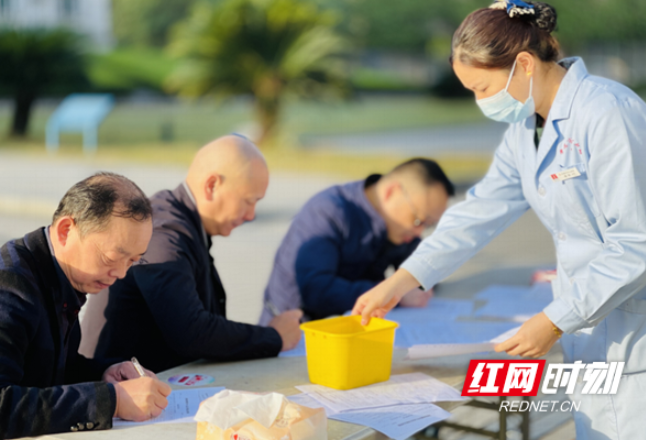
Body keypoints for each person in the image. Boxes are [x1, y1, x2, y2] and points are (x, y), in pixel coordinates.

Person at [352, 1, 646, 438]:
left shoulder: (607, 113)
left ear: (524, 64)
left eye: (483, 88)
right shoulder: (524, 130)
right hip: (590, 333)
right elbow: (478, 212)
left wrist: (554, 320)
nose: (479, 102)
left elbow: (636, 243)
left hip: (631, 332)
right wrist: (403, 280)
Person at [94, 135, 302, 373]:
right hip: (119, 393)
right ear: (212, 185)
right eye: (248, 201)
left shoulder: (183, 222)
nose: (251, 215)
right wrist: (274, 337)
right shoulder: (163, 232)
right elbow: (191, 332)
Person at [0, 172, 171, 438]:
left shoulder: (59, 275)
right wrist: (110, 401)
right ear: (67, 230)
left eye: (133, 261)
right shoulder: (10, 287)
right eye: (112, 258)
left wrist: (106, 373)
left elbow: (49, 371)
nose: (122, 273)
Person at [259, 158, 454, 325]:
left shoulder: (402, 228)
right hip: (294, 336)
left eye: (429, 224)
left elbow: (423, 271)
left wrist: (412, 287)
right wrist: (394, 292)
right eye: (419, 220)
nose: (419, 231)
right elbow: (316, 291)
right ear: (391, 192)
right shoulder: (328, 211)